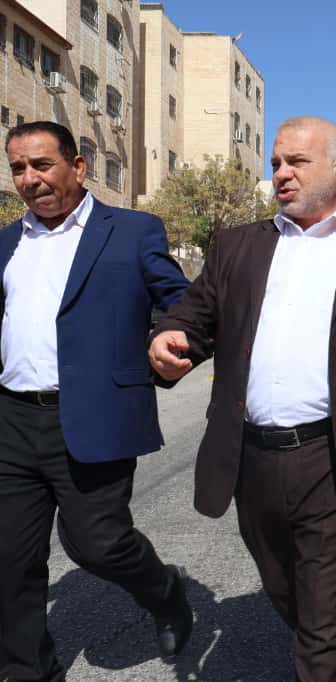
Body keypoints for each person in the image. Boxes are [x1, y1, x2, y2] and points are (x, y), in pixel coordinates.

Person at [148, 116, 336, 682]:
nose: (281, 173)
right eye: (277, 163)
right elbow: (195, 314)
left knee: (322, 619)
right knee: (286, 590)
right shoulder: (238, 245)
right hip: (252, 457)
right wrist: (169, 336)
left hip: (335, 456)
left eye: (297, 162)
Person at [0, 121, 193, 681]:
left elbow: (179, 300)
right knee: (9, 559)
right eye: (18, 168)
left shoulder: (132, 231)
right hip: (12, 417)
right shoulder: (7, 242)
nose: (29, 179)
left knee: (98, 545)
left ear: (78, 166)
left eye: (42, 165)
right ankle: (28, 670)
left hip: (93, 413)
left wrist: (172, 336)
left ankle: (164, 591)